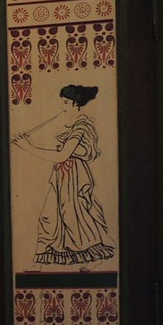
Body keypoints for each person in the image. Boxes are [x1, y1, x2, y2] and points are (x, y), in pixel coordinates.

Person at [11, 84, 113, 267]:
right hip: (62, 174)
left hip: (74, 176)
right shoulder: (72, 125)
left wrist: (28, 147)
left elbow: (62, 155)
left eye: (66, 102)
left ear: (75, 103)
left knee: (73, 217)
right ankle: (41, 260)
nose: (63, 106)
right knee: (48, 216)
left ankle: (93, 259)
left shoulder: (82, 126)